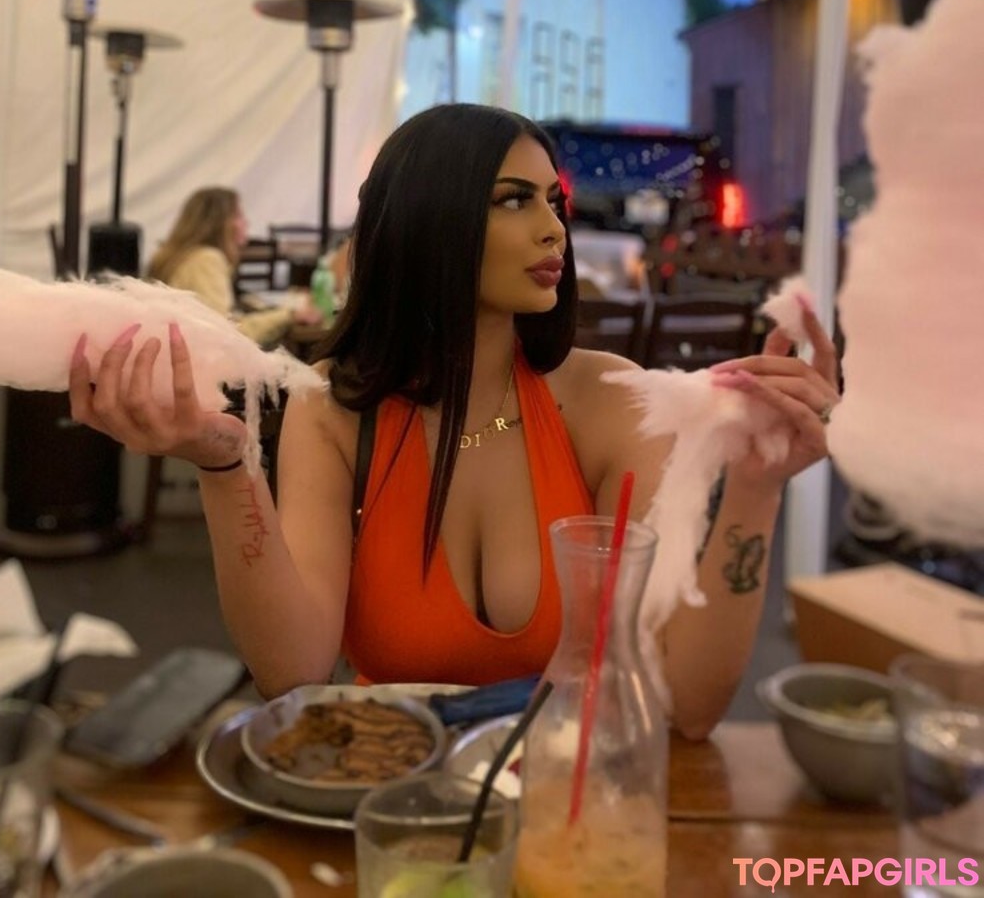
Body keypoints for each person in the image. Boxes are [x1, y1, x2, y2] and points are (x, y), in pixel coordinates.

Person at [70, 106, 839, 739]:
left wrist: (755, 490)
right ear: (426, 218)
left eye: (554, 202)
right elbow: (293, 672)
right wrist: (226, 463)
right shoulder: (333, 409)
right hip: (384, 795)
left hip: (560, 807)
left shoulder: (609, 400)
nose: (555, 229)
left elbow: (687, 706)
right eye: (514, 199)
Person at [147, 187, 313, 348]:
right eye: (238, 215)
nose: (246, 222)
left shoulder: (175, 255)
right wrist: (290, 315)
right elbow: (225, 334)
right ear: (220, 223)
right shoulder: (205, 260)